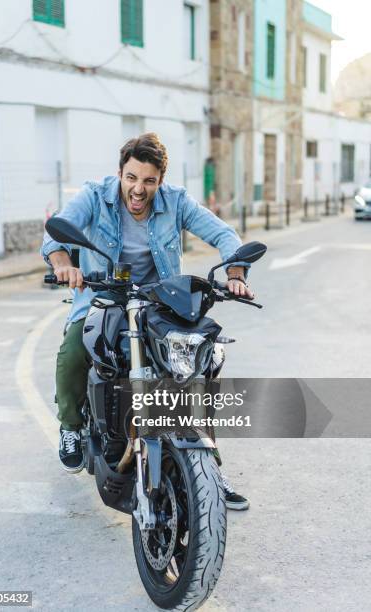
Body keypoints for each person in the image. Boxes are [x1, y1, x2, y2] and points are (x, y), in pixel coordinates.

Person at [41, 133, 254, 511]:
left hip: (158, 302)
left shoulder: (177, 202)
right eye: (131, 178)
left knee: (195, 371)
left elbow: (223, 234)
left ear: (160, 180)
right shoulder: (94, 196)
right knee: (75, 349)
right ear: (120, 173)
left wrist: (235, 272)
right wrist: (64, 266)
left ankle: (208, 467)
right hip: (102, 295)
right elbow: (57, 230)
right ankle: (71, 427)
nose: (138, 189)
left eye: (149, 181)